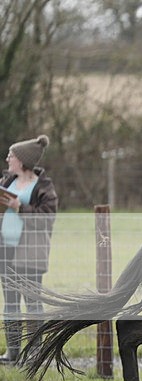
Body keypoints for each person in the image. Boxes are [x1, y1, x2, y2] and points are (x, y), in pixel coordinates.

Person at [0, 134, 58, 364]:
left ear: (22, 160)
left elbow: (47, 217)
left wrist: (19, 207)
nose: (7, 159)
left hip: (30, 253)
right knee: (10, 301)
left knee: (32, 302)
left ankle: (35, 352)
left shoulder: (43, 187)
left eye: (11, 156)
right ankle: (12, 352)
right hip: (6, 250)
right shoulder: (6, 182)